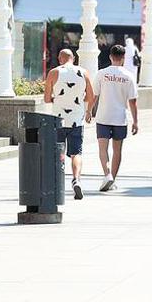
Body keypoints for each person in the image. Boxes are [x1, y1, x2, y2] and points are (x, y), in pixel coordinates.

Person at [44, 47, 95, 200]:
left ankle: (56, 184)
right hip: (76, 120)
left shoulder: (54, 72)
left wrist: (57, 99)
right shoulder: (84, 72)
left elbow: (47, 98)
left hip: (58, 119)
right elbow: (91, 96)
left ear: (60, 59)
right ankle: (76, 180)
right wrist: (87, 110)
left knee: (57, 152)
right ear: (74, 58)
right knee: (76, 153)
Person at [90, 43, 139, 192]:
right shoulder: (129, 76)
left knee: (102, 149)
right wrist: (136, 121)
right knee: (117, 150)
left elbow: (94, 95)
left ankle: (107, 175)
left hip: (103, 117)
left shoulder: (101, 73)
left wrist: (88, 111)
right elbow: (133, 101)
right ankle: (113, 178)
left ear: (110, 57)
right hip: (120, 118)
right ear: (123, 58)